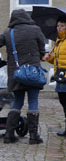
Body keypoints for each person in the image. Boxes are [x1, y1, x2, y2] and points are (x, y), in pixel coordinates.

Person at [0, 9, 47, 144]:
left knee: (17, 102)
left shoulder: (9, 33)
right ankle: (33, 136)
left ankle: (9, 134)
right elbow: (42, 50)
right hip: (32, 73)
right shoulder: (36, 30)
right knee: (33, 101)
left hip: (16, 74)